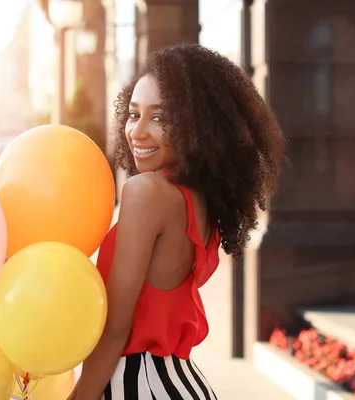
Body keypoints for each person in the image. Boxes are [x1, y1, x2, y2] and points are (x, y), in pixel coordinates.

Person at [68, 43, 286, 400]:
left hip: (138, 386)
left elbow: (115, 329)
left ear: (195, 126)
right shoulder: (198, 200)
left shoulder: (146, 193)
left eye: (159, 118)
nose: (137, 132)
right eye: (134, 114)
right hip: (180, 383)